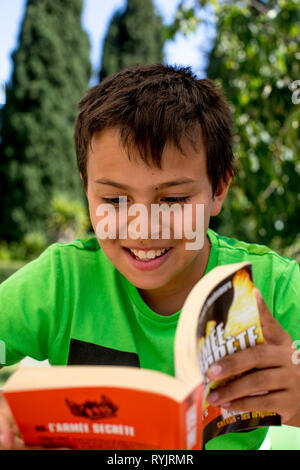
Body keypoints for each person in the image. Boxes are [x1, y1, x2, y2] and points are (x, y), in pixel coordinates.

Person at [0, 64, 299, 450]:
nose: (142, 229)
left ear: (219, 188)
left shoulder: (274, 287)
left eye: (173, 200)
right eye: (113, 200)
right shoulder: (61, 281)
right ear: (86, 188)